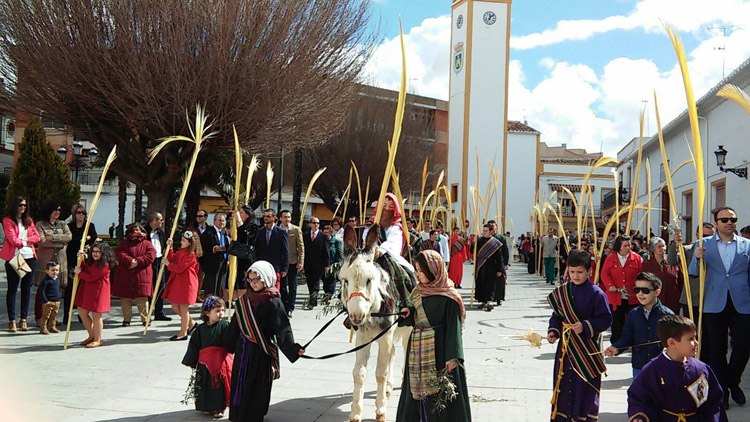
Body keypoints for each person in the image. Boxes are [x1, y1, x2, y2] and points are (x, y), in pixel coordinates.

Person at [223, 260, 305, 421]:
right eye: (250, 280)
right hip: (243, 350)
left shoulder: (274, 302)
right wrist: (226, 344)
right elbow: (235, 325)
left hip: (261, 352)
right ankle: (239, 413)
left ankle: (255, 414)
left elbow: (282, 329)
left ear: (266, 279)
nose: (253, 284)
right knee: (240, 380)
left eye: (256, 280)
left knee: (258, 384)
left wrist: (293, 349)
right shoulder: (243, 301)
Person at [396, 250, 471, 421]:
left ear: (432, 269)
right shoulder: (418, 291)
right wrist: (408, 313)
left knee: (439, 396)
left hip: (440, 353)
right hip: (417, 351)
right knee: (414, 392)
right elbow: (416, 316)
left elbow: (454, 328)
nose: (417, 274)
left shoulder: (450, 296)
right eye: (416, 270)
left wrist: (453, 357)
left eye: (421, 271)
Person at [690, 206, 750, 407]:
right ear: (716, 223)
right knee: (717, 349)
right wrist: (697, 258)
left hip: (742, 301)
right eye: (724, 220)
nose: (729, 222)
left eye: (733, 219)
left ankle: (733, 381)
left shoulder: (747, 245)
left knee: (743, 345)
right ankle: (721, 390)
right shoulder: (704, 244)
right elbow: (693, 272)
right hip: (714, 300)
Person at [547, 249, 612, 422]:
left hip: (587, 350)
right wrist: (553, 331)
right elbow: (557, 316)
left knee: (585, 387)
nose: (575, 276)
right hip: (567, 349)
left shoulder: (597, 293)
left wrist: (585, 326)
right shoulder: (563, 291)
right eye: (572, 272)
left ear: (589, 271)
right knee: (564, 383)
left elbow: (606, 319)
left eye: (580, 272)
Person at [627, 315, 726, 422]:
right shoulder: (652, 370)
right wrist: (639, 416)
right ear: (672, 343)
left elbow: (714, 402)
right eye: (691, 339)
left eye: (695, 338)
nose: (696, 343)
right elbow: (638, 398)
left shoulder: (700, 369)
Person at [605, 272, 674, 378]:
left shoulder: (667, 315)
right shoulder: (633, 314)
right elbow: (627, 337)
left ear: (657, 292)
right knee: (639, 394)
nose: (640, 294)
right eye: (637, 290)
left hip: (661, 366)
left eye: (645, 291)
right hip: (639, 366)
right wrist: (616, 348)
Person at [668, 223, 715, 362]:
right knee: (690, 331)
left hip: (710, 298)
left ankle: (706, 359)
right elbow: (672, 260)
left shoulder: (715, 250)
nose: (707, 239)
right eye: (704, 236)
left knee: (708, 333)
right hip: (691, 298)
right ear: (697, 235)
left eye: (710, 236)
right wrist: (674, 243)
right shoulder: (688, 249)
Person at [182, 296, 233, 419]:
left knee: (218, 387)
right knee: (204, 385)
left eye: (222, 310)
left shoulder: (225, 326)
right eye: (217, 311)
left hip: (221, 362)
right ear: (207, 313)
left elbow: (231, 342)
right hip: (205, 363)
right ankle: (205, 406)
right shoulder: (200, 329)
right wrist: (191, 360)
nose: (221, 314)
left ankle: (219, 407)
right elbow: (194, 345)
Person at [2, 196, 41, 332]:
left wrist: (24, 240)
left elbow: (38, 237)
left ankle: (23, 319)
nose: (23, 208)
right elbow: (12, 240)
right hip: (15, 257)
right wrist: (26, 241)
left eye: (24, 205)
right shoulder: (8, 220)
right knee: (13, 289)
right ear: (14, 206)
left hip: (30, 257)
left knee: (26, 289)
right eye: (20, 205)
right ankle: (12, 320)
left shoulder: (29, 221)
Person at [601, 235, 642, 343]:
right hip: (615, 296)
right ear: (619, 246)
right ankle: (616, 343)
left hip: (632, 296)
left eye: (629, 245)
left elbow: (641, 274)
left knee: (632, 320)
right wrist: (610, 286)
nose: (628, 247)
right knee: (617, 321)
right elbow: (604, 274)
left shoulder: (636, 258)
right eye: (625, 245)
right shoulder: (610, 258)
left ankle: (631, 341)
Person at [113, 223, 156, 327]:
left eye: (138, 229)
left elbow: (150, 255)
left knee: (142, 298)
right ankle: (126, 320)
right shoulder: (123, 243)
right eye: (134, 230)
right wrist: (130, 261)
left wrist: (137, 261)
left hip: (142, 274)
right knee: (126, 298)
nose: (136, 232)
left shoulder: (147, 243)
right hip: (126, 273)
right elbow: (119, 254)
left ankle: (145, 319)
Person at [163, 231, 202, 340]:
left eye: (183, 240)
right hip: (181, 283)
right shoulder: (182, 252)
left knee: (184, 308)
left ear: (190, 243)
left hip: (187, 283)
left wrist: (168, 264)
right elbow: (172, 258)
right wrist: (169, 247)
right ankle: (192, 323)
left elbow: (180, 267)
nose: (181, 242)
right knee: (175, 306)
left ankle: (183, 332)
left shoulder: (191, 255)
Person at [74, 242, 114, 348]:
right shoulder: (92, 262)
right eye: (94, 251)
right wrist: (81, 259)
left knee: (96, 315)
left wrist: (80, 273)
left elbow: (92, 277)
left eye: (98, 252)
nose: (95, 254)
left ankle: (97, 339)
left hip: (99, 291)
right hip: (89, 290)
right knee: (82, 312)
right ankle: (92, 335)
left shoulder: (105, 264)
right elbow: (85, 269)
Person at [64, 203, 97, 325]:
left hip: (85, 260)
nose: (81, 215)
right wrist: (84, 239)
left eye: (83, 213)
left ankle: (81, 314)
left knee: (82, 289)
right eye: (78, 213)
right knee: (70, 288)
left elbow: (93, 238)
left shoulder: (89, 226)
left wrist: (86, 239)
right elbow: (70, 239)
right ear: (74, 215)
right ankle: (67, 315)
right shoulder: (69, 226)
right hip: (72, 260)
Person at [641, 237, 682, 314]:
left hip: (673, 301)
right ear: (653, 249)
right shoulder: (646, 266)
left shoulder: (674, 263)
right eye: (659, 247)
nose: (662, 248)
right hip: (655, 301)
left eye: (663, 246)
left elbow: (680, 281)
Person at [254, 208, 288, 290]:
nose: (266, 218)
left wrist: (285, 268)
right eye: (265, 216)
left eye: (268, 216)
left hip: (275, 266)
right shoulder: (260, 231)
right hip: (262, 266)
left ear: (274, 218)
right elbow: (257, 249)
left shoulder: (281, 232)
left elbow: (285, 251)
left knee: (274, 290)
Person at [229, 205, 258, 299]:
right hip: (238, 259)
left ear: (248, 215)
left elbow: (247, 239)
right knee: (236, 286)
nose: (239, 215)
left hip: (247, 260)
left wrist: (240, 222)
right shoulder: (237, 226)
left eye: (241, 213)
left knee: (244, 284)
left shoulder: (252, 227)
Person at [146, 212, 171, 321]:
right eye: (161, 220)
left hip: (159, 261)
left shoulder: (161, 232)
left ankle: (159, 312)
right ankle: (147, 313)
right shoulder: (144, 232)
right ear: (154, 221)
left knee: (161, 286)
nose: (162, 222)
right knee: (149, 287)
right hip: (148, 262)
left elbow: (164, 246)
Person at [278, 210, 303, 318]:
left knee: (292, 286)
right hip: (280, 262)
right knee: (282, 286)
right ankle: (284, 305)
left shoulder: (296, 230)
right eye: (284, 217)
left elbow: (301, 246)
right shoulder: (277, 230)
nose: (286, 219)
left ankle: (290, 308)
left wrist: (301, 261)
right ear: (280, 218)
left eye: (288, 217)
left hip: (292, 262)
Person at [473, 224, 504, 311]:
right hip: (480, 265)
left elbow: (499, 257)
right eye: (483, 231)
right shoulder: (479, 241)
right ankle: (483, 301)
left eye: (486, 231)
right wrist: (473, 243)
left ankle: (489, 301)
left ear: (491, 231)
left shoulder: (495, 242)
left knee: (490, 284)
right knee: (480, 283)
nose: (484, 232)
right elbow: (473, 251)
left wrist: (499, 269)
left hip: (491, 266)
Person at [302, 216, 329, 309]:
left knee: (316, 283)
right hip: (308, 263)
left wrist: (327, 264)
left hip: (319, 263)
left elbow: (326, 251)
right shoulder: (305, 235)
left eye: (317, 223)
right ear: (310, 224)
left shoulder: (323, 236)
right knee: (310, 282)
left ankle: (312, 301)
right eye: (314, 223)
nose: (316, 225)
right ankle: (313, 298)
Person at [201, 214, 230, 298]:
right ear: (214, 221)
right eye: (219, 220)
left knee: (217, 287)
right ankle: (209, 306)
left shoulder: (223, 233)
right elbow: (205, 249)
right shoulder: (208, 233)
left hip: (221, 264)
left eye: (223, 221)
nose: (221, 222)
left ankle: (215, 304)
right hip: (211, 265)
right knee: (211, 288)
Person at [37, 261, 62, 334]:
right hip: (48, 302)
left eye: (57, 270)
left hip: (56, 301)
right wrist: (45, 301)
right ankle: (43, 328)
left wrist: (59, 296)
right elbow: (41, 291)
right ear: (47, 271)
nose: (55, 272)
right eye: (53, 270)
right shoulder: (46, 281)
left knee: (54, 316)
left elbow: (59, 289)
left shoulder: (57, 280)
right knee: (46, 316)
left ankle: (52, 327)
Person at [323, 224, 343, 297]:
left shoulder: (336, 242)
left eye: (327, 232)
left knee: (331, 281)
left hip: (333, 265)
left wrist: (338, 264)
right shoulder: (321, 241)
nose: (325, 234)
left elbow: (339, 253)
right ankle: (327, 294)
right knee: (325, 283)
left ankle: (330, 295)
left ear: (331, 233)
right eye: (324, 232)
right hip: (323, 265)